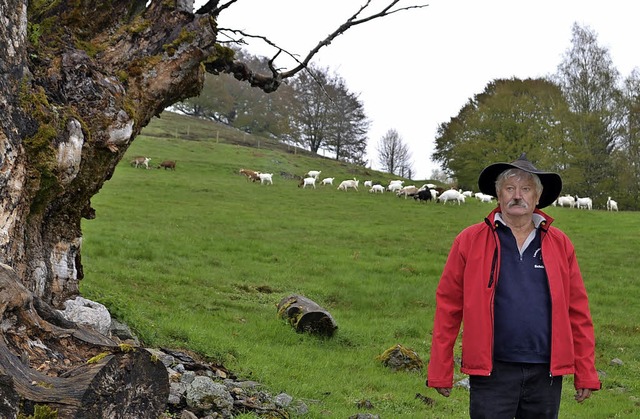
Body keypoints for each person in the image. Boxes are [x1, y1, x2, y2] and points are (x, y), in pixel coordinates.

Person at [426, 153, 601, 418]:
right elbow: (448, 306)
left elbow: (577, 310)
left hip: (546, 372)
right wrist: (440, 369)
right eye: (510, 188)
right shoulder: (469, 241)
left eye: (526, 189)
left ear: (537, 197)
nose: (517, 195)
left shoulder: (559, 243)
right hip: (491, 371)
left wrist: (586, 372)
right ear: (499, 195)